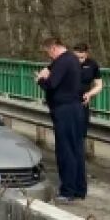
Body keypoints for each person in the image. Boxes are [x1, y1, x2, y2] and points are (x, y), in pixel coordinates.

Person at [36, 36, 87, 202]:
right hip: (75, 109)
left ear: (53, 48)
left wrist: (41, 79)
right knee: (76, 149)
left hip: (65, 110)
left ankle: (67, 191)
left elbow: (52, 84)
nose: (49, 57)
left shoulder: (63, 61)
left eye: (48, 52)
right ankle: (79, 188)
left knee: (65, 151)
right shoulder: (71, 59)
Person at [74, 43, 103, 135]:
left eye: (81, 58)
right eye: (76, 57)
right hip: (68, 102)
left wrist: (89, 94)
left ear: (86, 54)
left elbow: (99, 85)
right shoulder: (67, 63)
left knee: (81, 132)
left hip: (83, 102)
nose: (79, 60)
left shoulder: (93, 64)